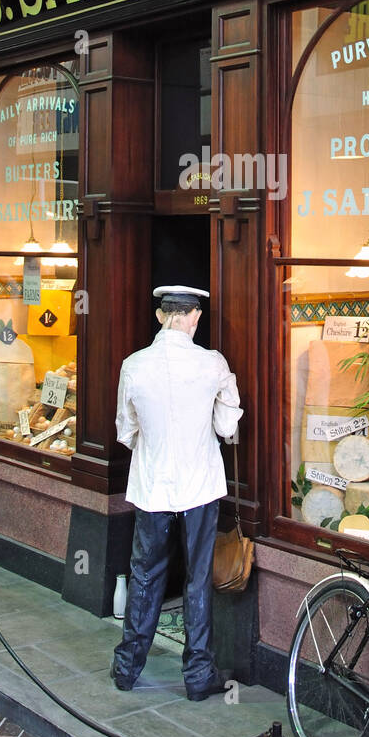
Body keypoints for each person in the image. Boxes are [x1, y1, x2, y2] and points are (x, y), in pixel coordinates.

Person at [111, 284, 243, 701]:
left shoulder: (133, 365)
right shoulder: (212, 364)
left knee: (145, 575)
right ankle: (199, 674)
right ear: (194, 317)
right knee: (197, 577)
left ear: (160, 315)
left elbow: (125, 431)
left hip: (152, 487)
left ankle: (127, 667)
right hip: (200, 487)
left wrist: (154, 446)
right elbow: (227, 428)